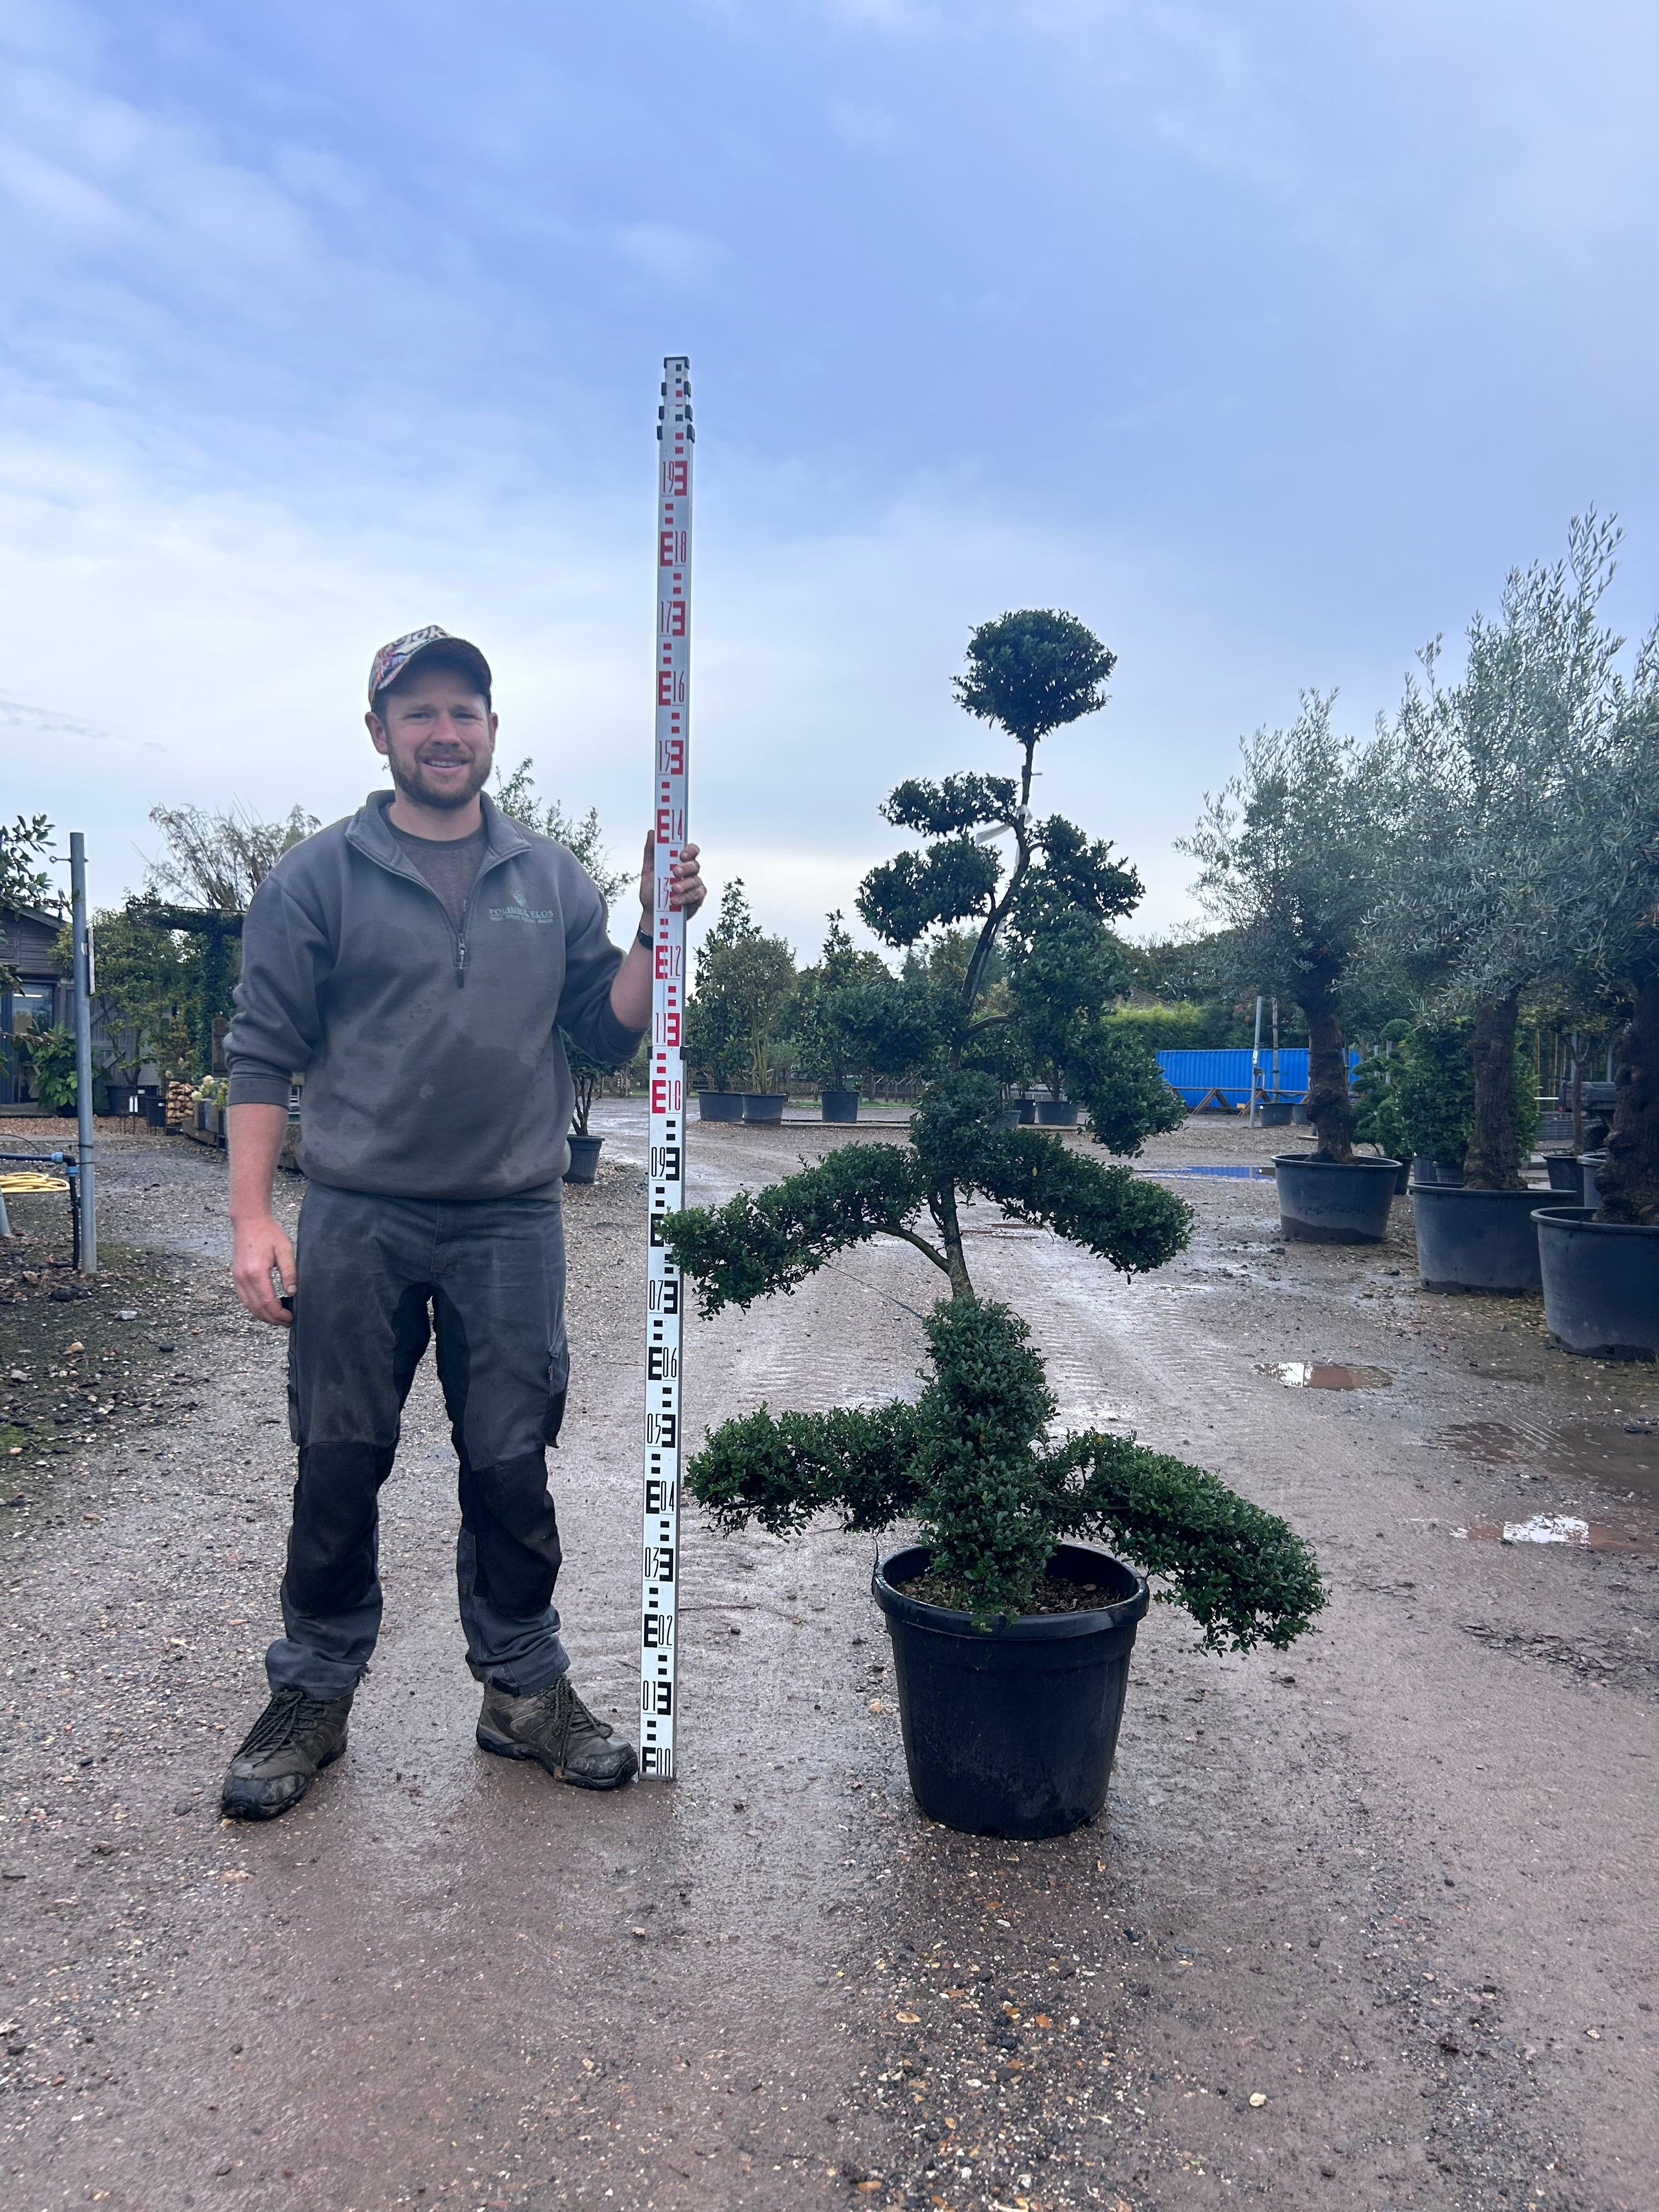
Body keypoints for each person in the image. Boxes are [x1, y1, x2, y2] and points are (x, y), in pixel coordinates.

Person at [218, 625, 703, 1820]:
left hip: (508, 1224)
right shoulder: (315, 878)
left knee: (509, 1465)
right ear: (379, 732)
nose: (445, 732)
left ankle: (523, 1691)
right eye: (420, 712)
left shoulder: (551, 879)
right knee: (340, 1462)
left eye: (466, 712)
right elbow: (262, 1057)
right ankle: (314, 1695)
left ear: (493, 731)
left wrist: (652, 924)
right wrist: (251, 1220)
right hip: (358, 1214)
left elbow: (605, 1027)